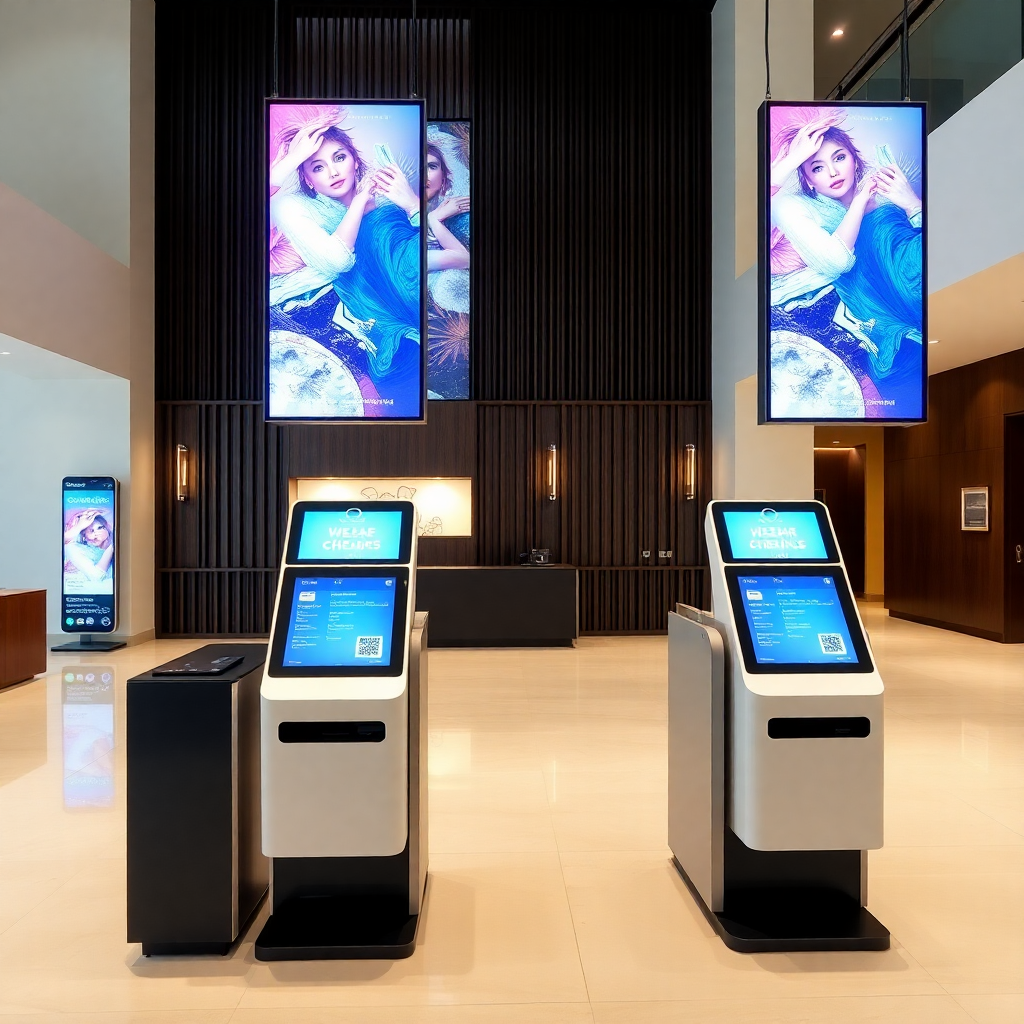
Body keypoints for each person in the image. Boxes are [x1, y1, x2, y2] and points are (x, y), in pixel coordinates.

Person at [269, 116, 421, 388]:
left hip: (394, 306)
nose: (333, 172)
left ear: (356, 161)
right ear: (308, 179)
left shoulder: (386, 202)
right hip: (308, 316)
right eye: (318, 167)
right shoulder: (292, 207)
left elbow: (420, 256)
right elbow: (337, 262)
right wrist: (359, 201)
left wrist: (413, 205)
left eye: (339, 158)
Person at [769, 116, 923, 383]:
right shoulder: (796, 208)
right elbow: (837, 262)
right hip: (866, 325)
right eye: (817, 167)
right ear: (807, 180)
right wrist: (859, 203)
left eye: (839, 158)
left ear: (855, 158)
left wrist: (912, 205)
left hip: (913, 300)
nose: (833, 172)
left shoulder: (888, 190)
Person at [64, 509, 114, 584]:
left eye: (99, 528)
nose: (96, 533)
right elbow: (98, 576)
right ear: (84, 535)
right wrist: (112, 547)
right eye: (91, 531)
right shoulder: (75, 549)